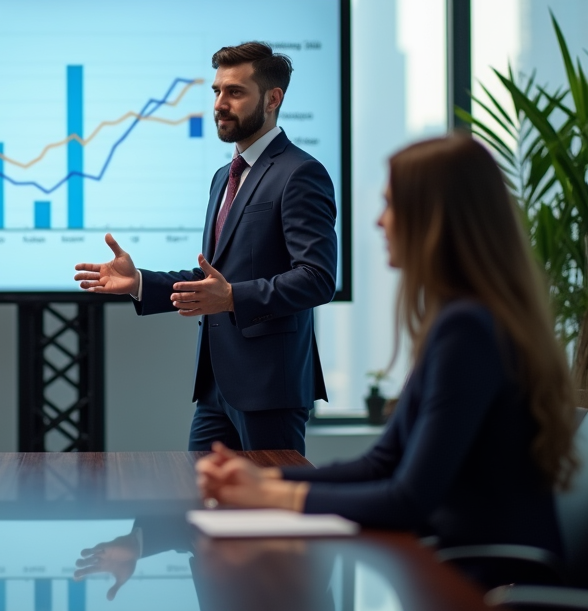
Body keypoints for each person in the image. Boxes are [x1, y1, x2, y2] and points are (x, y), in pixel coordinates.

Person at [196, 134, 579, 555]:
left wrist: (272, 498)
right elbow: (381, 463)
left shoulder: (468, 329)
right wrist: (263, 478)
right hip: (453, 567)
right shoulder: (463, 319)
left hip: (485, 584)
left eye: (391, 204)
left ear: (434, 218)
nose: (380, 221)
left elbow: (408, 500)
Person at [74, 42, 337, 453]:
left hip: (269, 389)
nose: (220, 103)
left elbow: (318, 279)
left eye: (234, 92)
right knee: (198, 505)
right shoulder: (223, 177)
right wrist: (140, 282)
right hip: (215, 387)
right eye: (216, 91)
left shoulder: (300, 173)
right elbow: (214, 278)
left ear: (273, 98)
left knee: (267, 513)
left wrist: (233, 298)